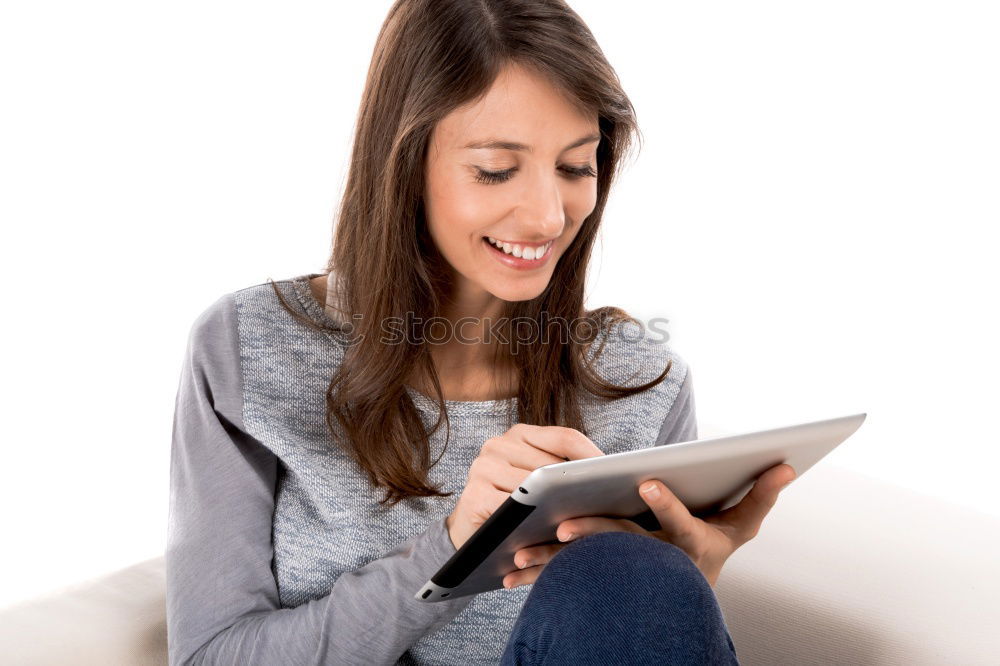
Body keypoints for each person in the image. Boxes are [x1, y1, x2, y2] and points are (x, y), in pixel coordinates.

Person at [164, 0, 795, 664]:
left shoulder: (643, 385)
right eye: (496, 169)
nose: (550, 216)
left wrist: (688, 580)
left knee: (635, 574)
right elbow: (211, 655)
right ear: (405, 165)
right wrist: (456, 548)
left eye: (577, 167)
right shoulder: (248, 352)